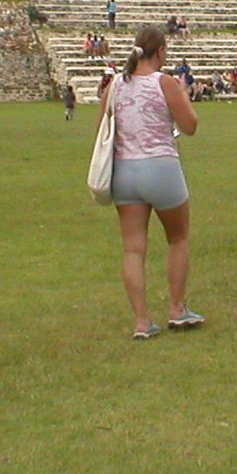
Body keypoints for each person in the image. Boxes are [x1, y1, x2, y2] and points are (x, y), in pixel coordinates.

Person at [98, 26, 202, 340]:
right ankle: (176, 308)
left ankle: (142, 321)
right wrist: (182, 93)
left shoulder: (115, 84)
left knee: (132, 249)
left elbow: (103, 130)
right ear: (160, 51)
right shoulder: (164, 82)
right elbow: (190, 125)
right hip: (159, 166)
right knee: (178, 238)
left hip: (124, 171)